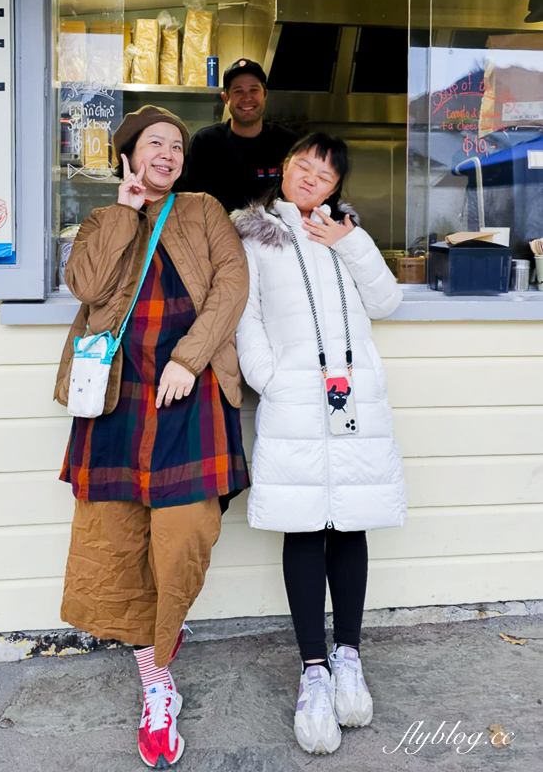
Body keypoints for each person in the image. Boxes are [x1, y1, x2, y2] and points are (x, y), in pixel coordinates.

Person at [54, 104, 250, 769]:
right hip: (116, 399)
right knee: (115, 540)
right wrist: (122, 212)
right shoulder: (101, 221)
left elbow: (232, 285)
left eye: (175, 146)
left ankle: (162, 642)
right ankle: (156, 680)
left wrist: (188, 358)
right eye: (153, 144)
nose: (166, 153)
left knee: (184, 535)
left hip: (184, 395)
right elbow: (84, 284)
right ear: (129, 157)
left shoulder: (203, 211)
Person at [231, 131, 406, 756]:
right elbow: (244, 315)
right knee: (304, 527)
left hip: (354, 400)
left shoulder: (345, 234)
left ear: (337, 187)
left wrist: (350, 241)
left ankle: (349, 656)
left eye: (325, 174)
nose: (310, 179)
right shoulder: (252, 235)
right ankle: (313, 671)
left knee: (349, 524)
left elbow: (387, 302)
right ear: (284, 169)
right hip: (297, 400)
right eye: (303, 166)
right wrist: (270, 378)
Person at [180, 57, 296, 212]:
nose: (247, 98)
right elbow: (188, 200)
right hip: (217, 233)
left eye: (254, 90)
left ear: (265, 94)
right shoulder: (205, 143)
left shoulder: (286, 142)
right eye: (238, 91)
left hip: (275, 233)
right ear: (225, 98)